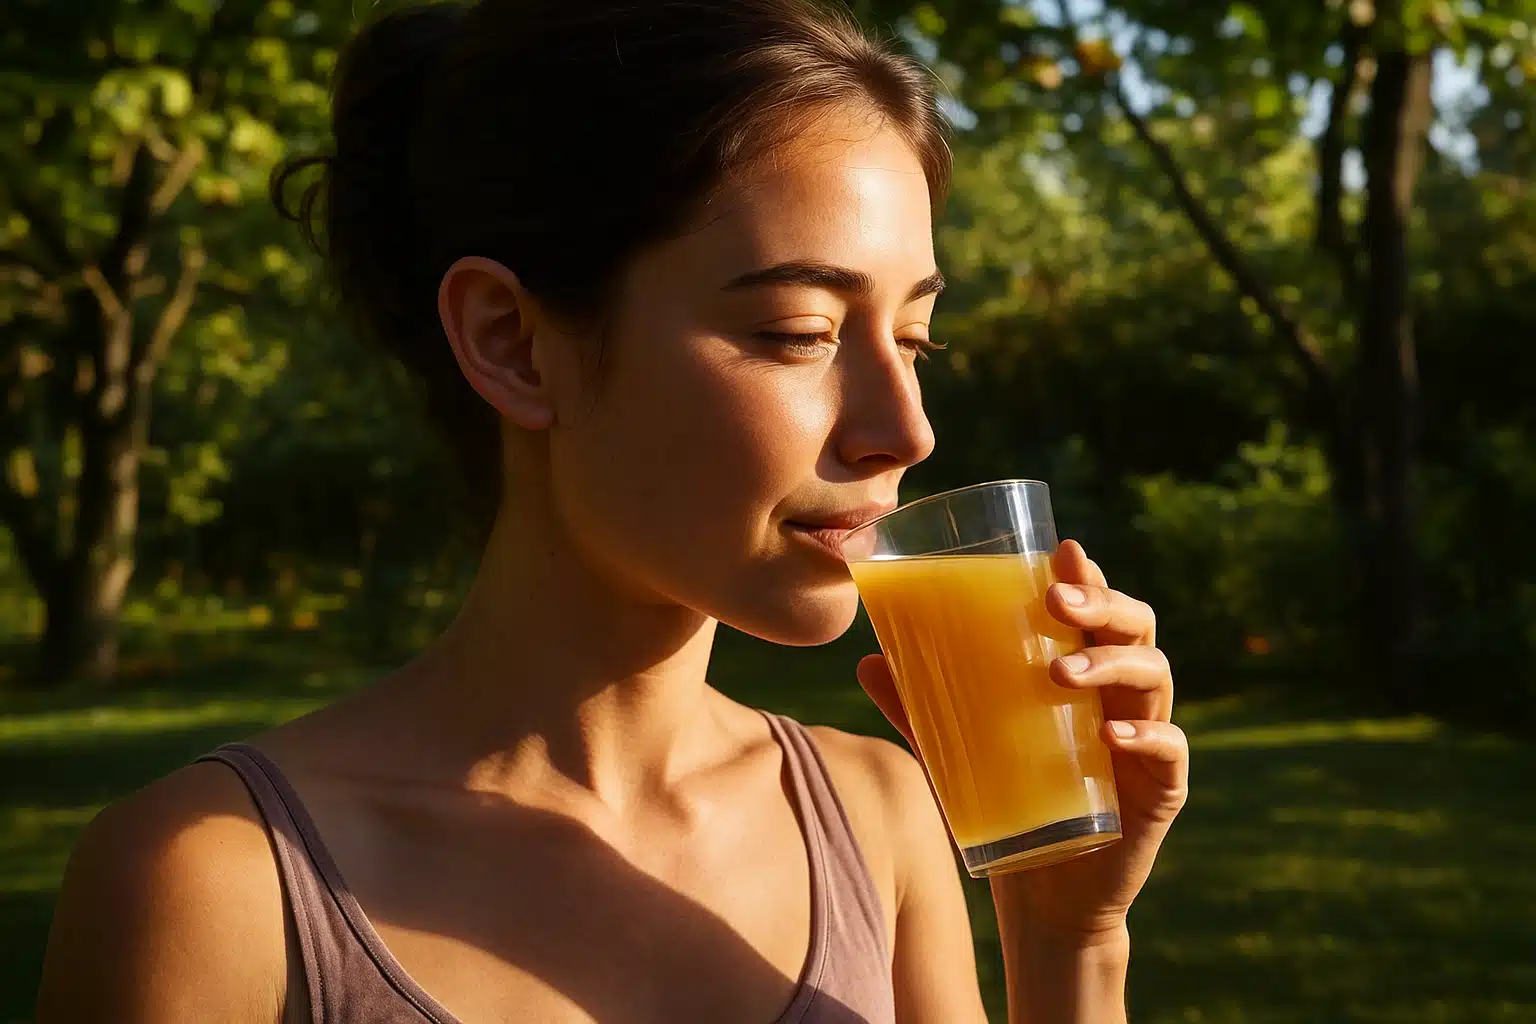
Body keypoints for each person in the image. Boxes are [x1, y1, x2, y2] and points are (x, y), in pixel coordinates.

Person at [36, 2, 1188, 1021]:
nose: (908, 428)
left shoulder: (881, 819)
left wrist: (1068, 939)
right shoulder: (211, 884)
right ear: (511, 342)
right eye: (799, 332)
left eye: (915, 337)